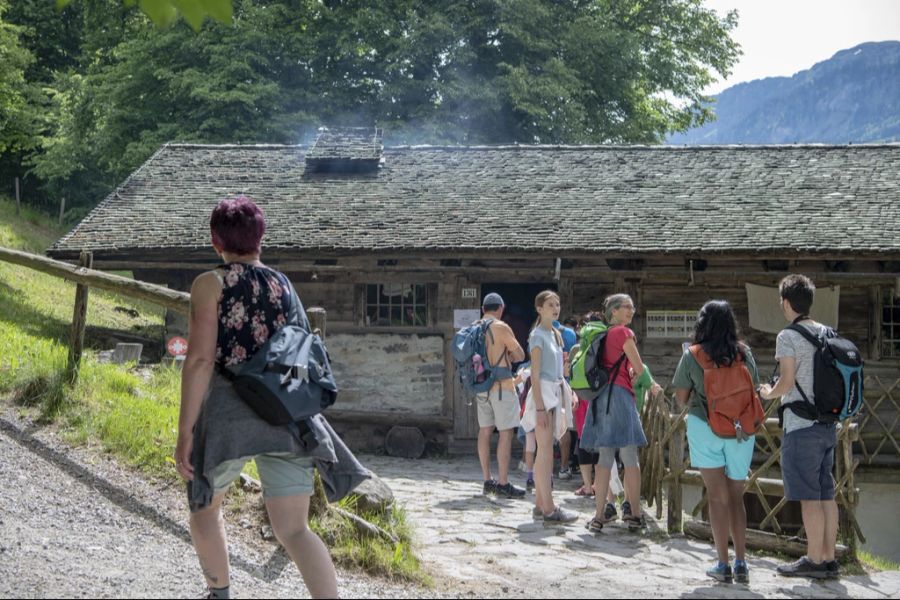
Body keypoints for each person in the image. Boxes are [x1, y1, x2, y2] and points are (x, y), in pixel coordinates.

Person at [174, 196, 339, 599]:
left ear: (216, 241)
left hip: (231, 417)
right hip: (285, 414)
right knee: (295, 529)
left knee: (205, 508)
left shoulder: (210, 283)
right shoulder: (283, 284)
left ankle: (221, 593)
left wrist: (185, 431)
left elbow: (197, 361)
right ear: (260, 239)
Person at [759, 275, 840, 580]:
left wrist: (768, 393)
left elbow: (787, 383)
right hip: (827, 424)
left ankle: (814, 561)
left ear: (787, 302)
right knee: (826, 494)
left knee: (809, 497)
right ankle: (830, 559)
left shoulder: (787, 336)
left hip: (801, 425)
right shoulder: (827, 331)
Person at [673, 300, 760, 584]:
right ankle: (742, 562)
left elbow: (682, 399)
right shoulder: (744, 353)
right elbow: (754, 391)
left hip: (705, 427)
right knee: (737, 496)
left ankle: (722, 564)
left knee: (717, 496)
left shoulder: (693, 355)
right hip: (741, 432)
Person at [580, 294, 661, 532]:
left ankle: (598, 516)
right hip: (620, 397)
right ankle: (634, 514)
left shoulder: (602, 335)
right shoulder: (623, 333)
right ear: (613, 311)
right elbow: (639, 367)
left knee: (604, 459)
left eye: (632, 307)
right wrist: (653, 386)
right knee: (630, 458)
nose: (631, 311)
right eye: (626, 307)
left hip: (601, 398)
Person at [521, 290, 579, 523]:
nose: (556, 308)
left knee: (545, 452)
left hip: (555, 392)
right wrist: (541, 408)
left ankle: (539, 504)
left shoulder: (555, 334)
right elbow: (535, 374)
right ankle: (549, 508)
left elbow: (558, 371)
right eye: (550, 304)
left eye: (557, 304)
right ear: (539, 308)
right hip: (543, 395)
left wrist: (569, 389)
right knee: (545, 453)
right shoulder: (537, 336)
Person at [476, 293, 527, 498]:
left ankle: (487, 480)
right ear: (501, 309)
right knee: (505, 433)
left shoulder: (474, 327)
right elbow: (521, 355)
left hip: (481, 386)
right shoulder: (501, 327)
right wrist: (506, 354)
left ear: (482, 309)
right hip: (502, 387)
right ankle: (504, 483)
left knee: (485, 431)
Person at [554, 318, 579, 480]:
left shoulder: (536, 333)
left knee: (542, 427)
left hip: (545, 384)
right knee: (565, 425)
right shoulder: (570, 334)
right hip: (566, 383)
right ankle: (564, 466)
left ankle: (542, 468)